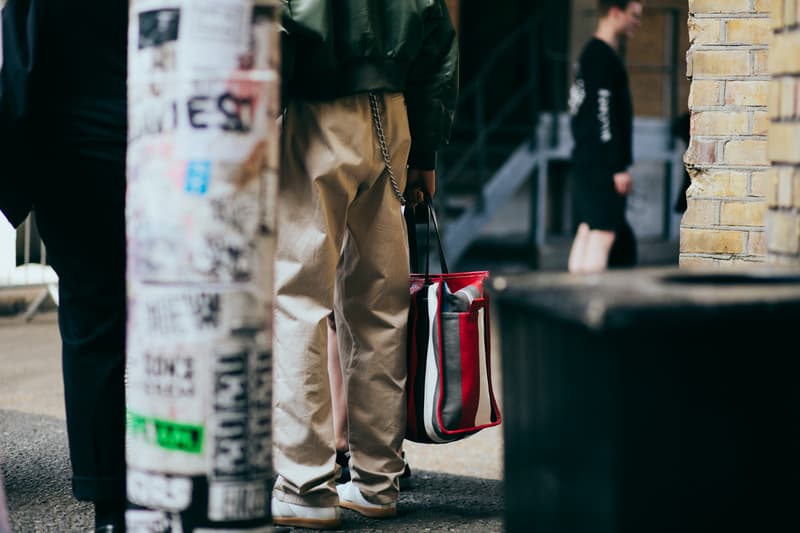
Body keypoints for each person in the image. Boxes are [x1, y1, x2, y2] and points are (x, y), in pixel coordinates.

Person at [271, 0, 458, 529]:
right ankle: (377, 482)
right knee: (380, 306)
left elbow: (274, 25)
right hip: (392, 115)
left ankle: (305, 485)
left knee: (298, 297)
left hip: (316, 110)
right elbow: (438, 41)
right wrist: (426, 152)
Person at [1, 1, 128, 531]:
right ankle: (184, 480)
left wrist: (19, 191)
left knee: (91, 328)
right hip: (168, 158)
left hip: (73, 165)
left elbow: (17, 84)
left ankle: (110, 503)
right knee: (180, 325)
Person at [567, 0, 643, 273]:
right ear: (615, 12)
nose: (638, 22)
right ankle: (588, 309)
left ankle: (572, 303)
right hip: (602, 165)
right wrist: (617, 166)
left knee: (588, 230)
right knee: (602, 235)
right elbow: (604, 116)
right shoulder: (602, 57)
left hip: (586, 159)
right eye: (633, 16)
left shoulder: (590, 55)